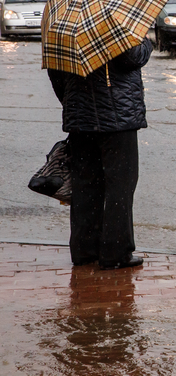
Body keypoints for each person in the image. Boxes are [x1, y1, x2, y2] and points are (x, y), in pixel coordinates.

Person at [48, 38, 153, 270]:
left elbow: (56, 76)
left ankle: (84, 250)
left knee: (85, 184)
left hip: (79, 119)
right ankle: (116, 253)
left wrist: (72, 101)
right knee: (120, 186)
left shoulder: (65, 29)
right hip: (117, 120)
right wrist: (146, 42)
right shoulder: (113, 23)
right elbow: (132, 57)